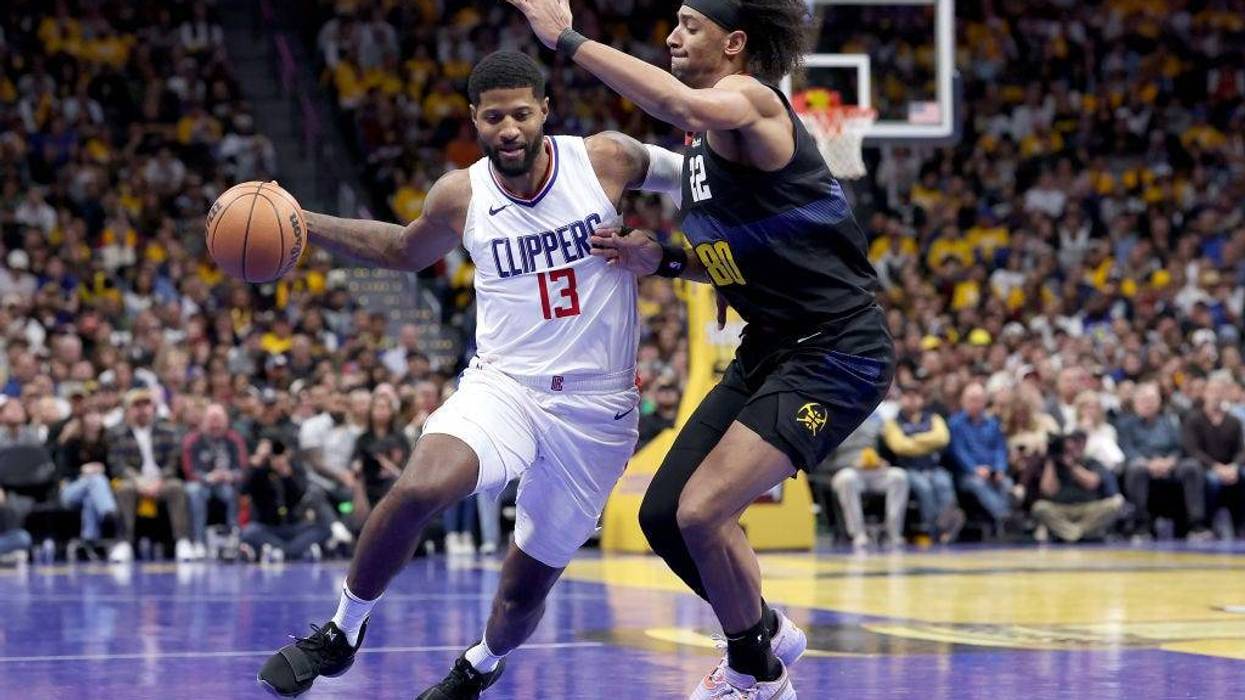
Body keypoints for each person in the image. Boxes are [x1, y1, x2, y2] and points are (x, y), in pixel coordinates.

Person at [257, 51, 685, 698]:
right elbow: (403, 250)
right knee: (417, 488)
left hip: (597, 416)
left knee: (521, 593)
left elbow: (703, 180)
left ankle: (479, 666)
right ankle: (343, 632)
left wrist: (672, 256)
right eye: (493, 118)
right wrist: (302, 222)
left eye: (519, 113)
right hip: (504, 388)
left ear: (543, 109)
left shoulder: (607, 159)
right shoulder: (460, 194)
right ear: (474, 121)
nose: (507, 128)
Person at [510, 2, 894, 696]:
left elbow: (671, 98)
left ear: (734, 42)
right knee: (663, 516)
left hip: (837, 351)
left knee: (702, 511)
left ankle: (756, 676)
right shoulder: (701, 150)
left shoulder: (747, 99)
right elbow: (734, 251)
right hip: (771, 345)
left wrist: (562, 37)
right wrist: (664, 261)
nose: (672, 35)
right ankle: (765, 629)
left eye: (689, 24)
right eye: (674, 23)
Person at [108, 388, 193, 562]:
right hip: (134, 481)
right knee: (124, 490)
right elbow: (118, 465)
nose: (142, 409)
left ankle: (182, 541)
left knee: (177, 488)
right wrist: (138, 481)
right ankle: (124, 543)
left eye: (146, 404)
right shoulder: (116, 434)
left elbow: (173, 463)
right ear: (127, 410)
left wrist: (159, 480)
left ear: (153, 408)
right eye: (137, 405)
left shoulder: (168, 431)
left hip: (161, 481)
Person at [882, 383, 962, 543]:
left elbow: (942, 438)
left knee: (944, 483)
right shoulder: (893, 422)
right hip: (909, 468)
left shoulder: (933, 418)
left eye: (915, 396)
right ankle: (933, 529)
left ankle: (946, 526)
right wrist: (927, 441)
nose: (912, 401)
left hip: (933, 467)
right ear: (901, 399)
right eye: (907, 397)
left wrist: (913, 439)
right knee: (924, 487)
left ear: (921, 399)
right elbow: (899, 446)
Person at [1030, 432, 1125, 543]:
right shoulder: (1054, 465)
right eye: (1072, 443)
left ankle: (1072, 534)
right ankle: (1080, 534)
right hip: (1061, 509)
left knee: (1116, 503)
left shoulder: (1091, 462)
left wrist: (1071, 465)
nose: (1075, 447)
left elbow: (1092, 483)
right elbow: (1048, 490)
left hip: (1089, 509)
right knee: (1039, 507)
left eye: (1079, 443)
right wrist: (1050, 460)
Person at [181, 403, 248, 560]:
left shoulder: (234, 439)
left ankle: (234, 537)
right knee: (195, 492)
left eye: (219, 419)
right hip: (201, 483)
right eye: (212, 419)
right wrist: (208, 477)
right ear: (204, 420)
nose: (215, 424)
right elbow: (188, 469)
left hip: (226, 482)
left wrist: (230, 475)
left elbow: (243, 468)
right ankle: (198, 542)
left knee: (230, 492)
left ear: (226, 421)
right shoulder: (192, 440)